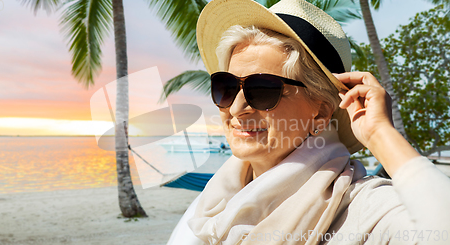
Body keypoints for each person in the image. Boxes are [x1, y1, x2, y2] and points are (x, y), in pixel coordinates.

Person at [168, 0, 450, 244]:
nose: (237, 108)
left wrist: (380, 135)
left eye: (263, 90)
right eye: (227, 87)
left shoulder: (364, 210)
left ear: (321, 113)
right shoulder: (212, 206)